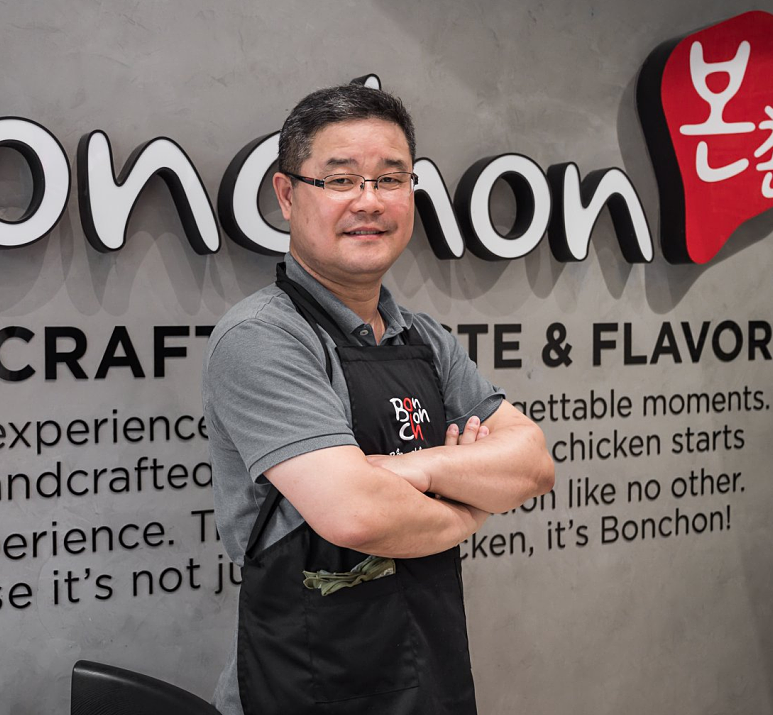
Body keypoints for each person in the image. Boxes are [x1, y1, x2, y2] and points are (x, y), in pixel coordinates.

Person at [201, 83, 555, 715]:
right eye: (340, 180)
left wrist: (413, 469)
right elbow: (356, 514)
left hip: (430, 675)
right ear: (288, 194)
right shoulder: (262, 337)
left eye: (391, 179)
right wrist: (468, 509)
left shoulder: (425, 339)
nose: (369, 201)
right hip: (306, 686)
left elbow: (532, 463)